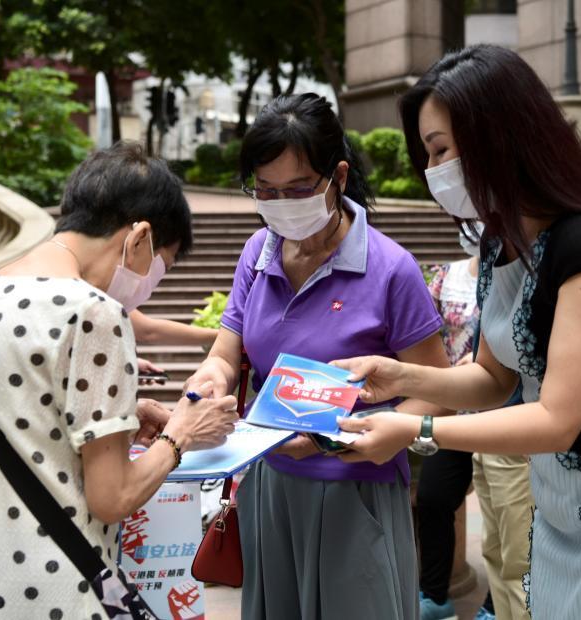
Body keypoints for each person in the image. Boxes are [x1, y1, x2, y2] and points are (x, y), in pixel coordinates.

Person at [333, 45, 581, 619]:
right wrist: (398, 375)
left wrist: (416, 427)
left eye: (440, 149)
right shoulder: (500, 241)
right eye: (428, 154)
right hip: (563, 507)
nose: (434, 170)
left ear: (498, 133)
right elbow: (494, 377)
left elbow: (557, 420)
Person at [0, 142, 238, 619]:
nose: (151, 282)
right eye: (163, 266)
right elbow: (113, 496)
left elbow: (21, 414)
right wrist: (183, 433)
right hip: (53, 596)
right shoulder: (94, 313)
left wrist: (124, 418)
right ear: (139, 238)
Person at [185, 92, 451, 620]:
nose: (282, 203)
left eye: (300, 189)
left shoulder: (391, 269)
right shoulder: (257, 254)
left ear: (340, 178)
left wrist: (346, 438)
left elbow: (437, 396)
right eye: (266, 191)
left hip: (357, 493)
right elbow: (225, 352)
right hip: (269, 484)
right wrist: (209, 382)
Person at [416, 222, 533, 620]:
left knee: (511, 537)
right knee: (438, 501)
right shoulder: (449, 277)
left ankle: (492, 606)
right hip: (458, 411)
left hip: (512, 420)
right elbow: (425, 342)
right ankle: (436, 595)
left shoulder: (530, 270)